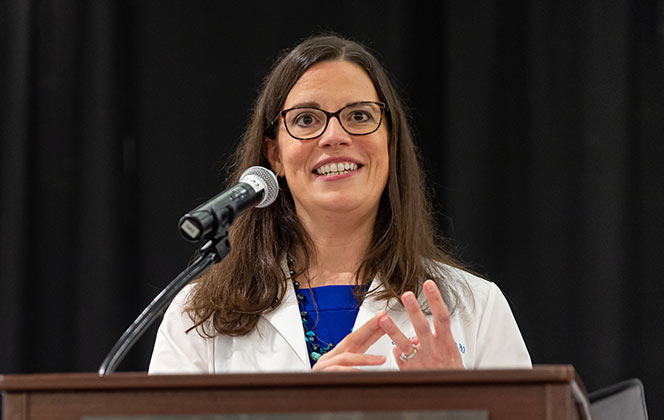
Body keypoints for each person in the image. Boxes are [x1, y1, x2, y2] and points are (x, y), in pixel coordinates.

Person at [149, 34, 531, 374]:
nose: (334, 136)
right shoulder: (197, 315)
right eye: (306, 119)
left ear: (390, 143)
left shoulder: (476, 307)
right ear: (274, 156)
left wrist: (458, 407)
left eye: (360, 116)